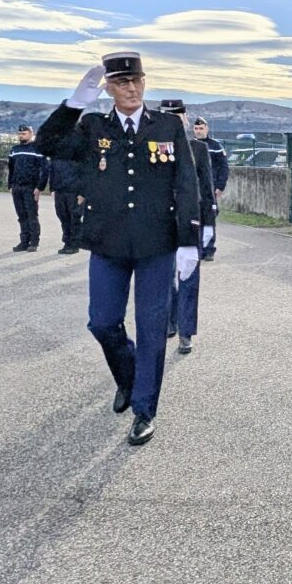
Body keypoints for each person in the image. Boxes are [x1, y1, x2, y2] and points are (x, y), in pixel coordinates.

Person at [36, 51, 201, 446]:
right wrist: (75, 103)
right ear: (108, 88)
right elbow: (47, 144)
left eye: (136, 80)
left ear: (144, 82)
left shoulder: (168, 126)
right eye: (122, 82)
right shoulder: (93, 125)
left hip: (156, 244)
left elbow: (186, 183)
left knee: (150, 329)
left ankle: (145, 410)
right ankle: (127, 377)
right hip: (107, 243)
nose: (131, 88)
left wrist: (188, 242)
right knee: (103, 322)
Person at [160, 100, 215, 355]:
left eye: (177, 115)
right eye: (167, 115)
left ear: (184, 118)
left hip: (189, 222)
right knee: (163, 277)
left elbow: (205, 189)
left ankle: (185, 331)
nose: (173, 119)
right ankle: (169, 321)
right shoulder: (150, 147)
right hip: (158, 223)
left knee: (188, 279)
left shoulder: (198, 149)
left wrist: (208, 225)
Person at [7, 124, 48, 252]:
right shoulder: (15, 149)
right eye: (19, 134)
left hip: (31, 187)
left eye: (24, 133)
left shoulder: (38, 149)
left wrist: (40, 187)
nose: (21, 136)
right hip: (17, 187)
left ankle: (34, 242)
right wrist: (10, 185)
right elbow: (11, 169)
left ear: (31, 134)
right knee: (21, 216)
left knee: (32, 216)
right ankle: (24, 241)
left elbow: (45, 170)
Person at [193, 116, 228, 261]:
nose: (199, 131)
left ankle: (209, 250)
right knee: (195, 220)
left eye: (201, 128)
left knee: (209, 219)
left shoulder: (216, 146)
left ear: (207, 129)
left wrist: (220, 186)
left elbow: (224, 168)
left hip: (210, 189)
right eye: (196, 128)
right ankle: (197, 249)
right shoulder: (189, 146)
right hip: (194, 189)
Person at [46, 154, 83, 254]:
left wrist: (82, 193)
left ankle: (75, 244)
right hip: (59, 191)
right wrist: (52, 189)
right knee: (63, 217)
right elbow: (52, 172)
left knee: (74, 218)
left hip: (74, 192)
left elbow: (85, 173)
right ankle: (67, 243)